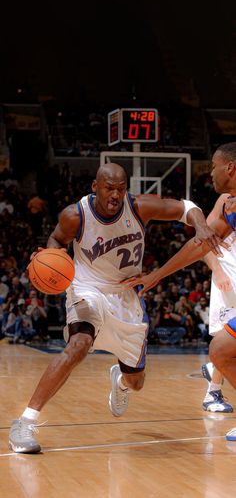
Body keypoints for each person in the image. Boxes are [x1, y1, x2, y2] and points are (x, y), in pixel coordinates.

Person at [8, 162, 225, 454]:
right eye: (109, 188)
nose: (115, 195)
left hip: (126, 295)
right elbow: (57, 239)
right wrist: (51, 256)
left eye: (121, 189)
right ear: (95, 187)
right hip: (87, 288)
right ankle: (25, 421)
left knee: (137, 383)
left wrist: (199, 224)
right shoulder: (76, 215)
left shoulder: (139, 207)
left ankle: (121, 380)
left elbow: (187, 207)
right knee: (79, 344)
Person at [123, 142, 236, 440]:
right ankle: (214, 393)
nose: (209, 172)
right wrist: (156, 276)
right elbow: (200, 244)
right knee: (221, 350)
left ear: (230, 168)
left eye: (213, 165)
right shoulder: (228, 204)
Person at [201, 194, 234, 413]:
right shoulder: (225, 199)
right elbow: (203, 241)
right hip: (228, 277)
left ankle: (214, 372)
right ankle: (212, 392)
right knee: (225, 339)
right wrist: (218, 270)